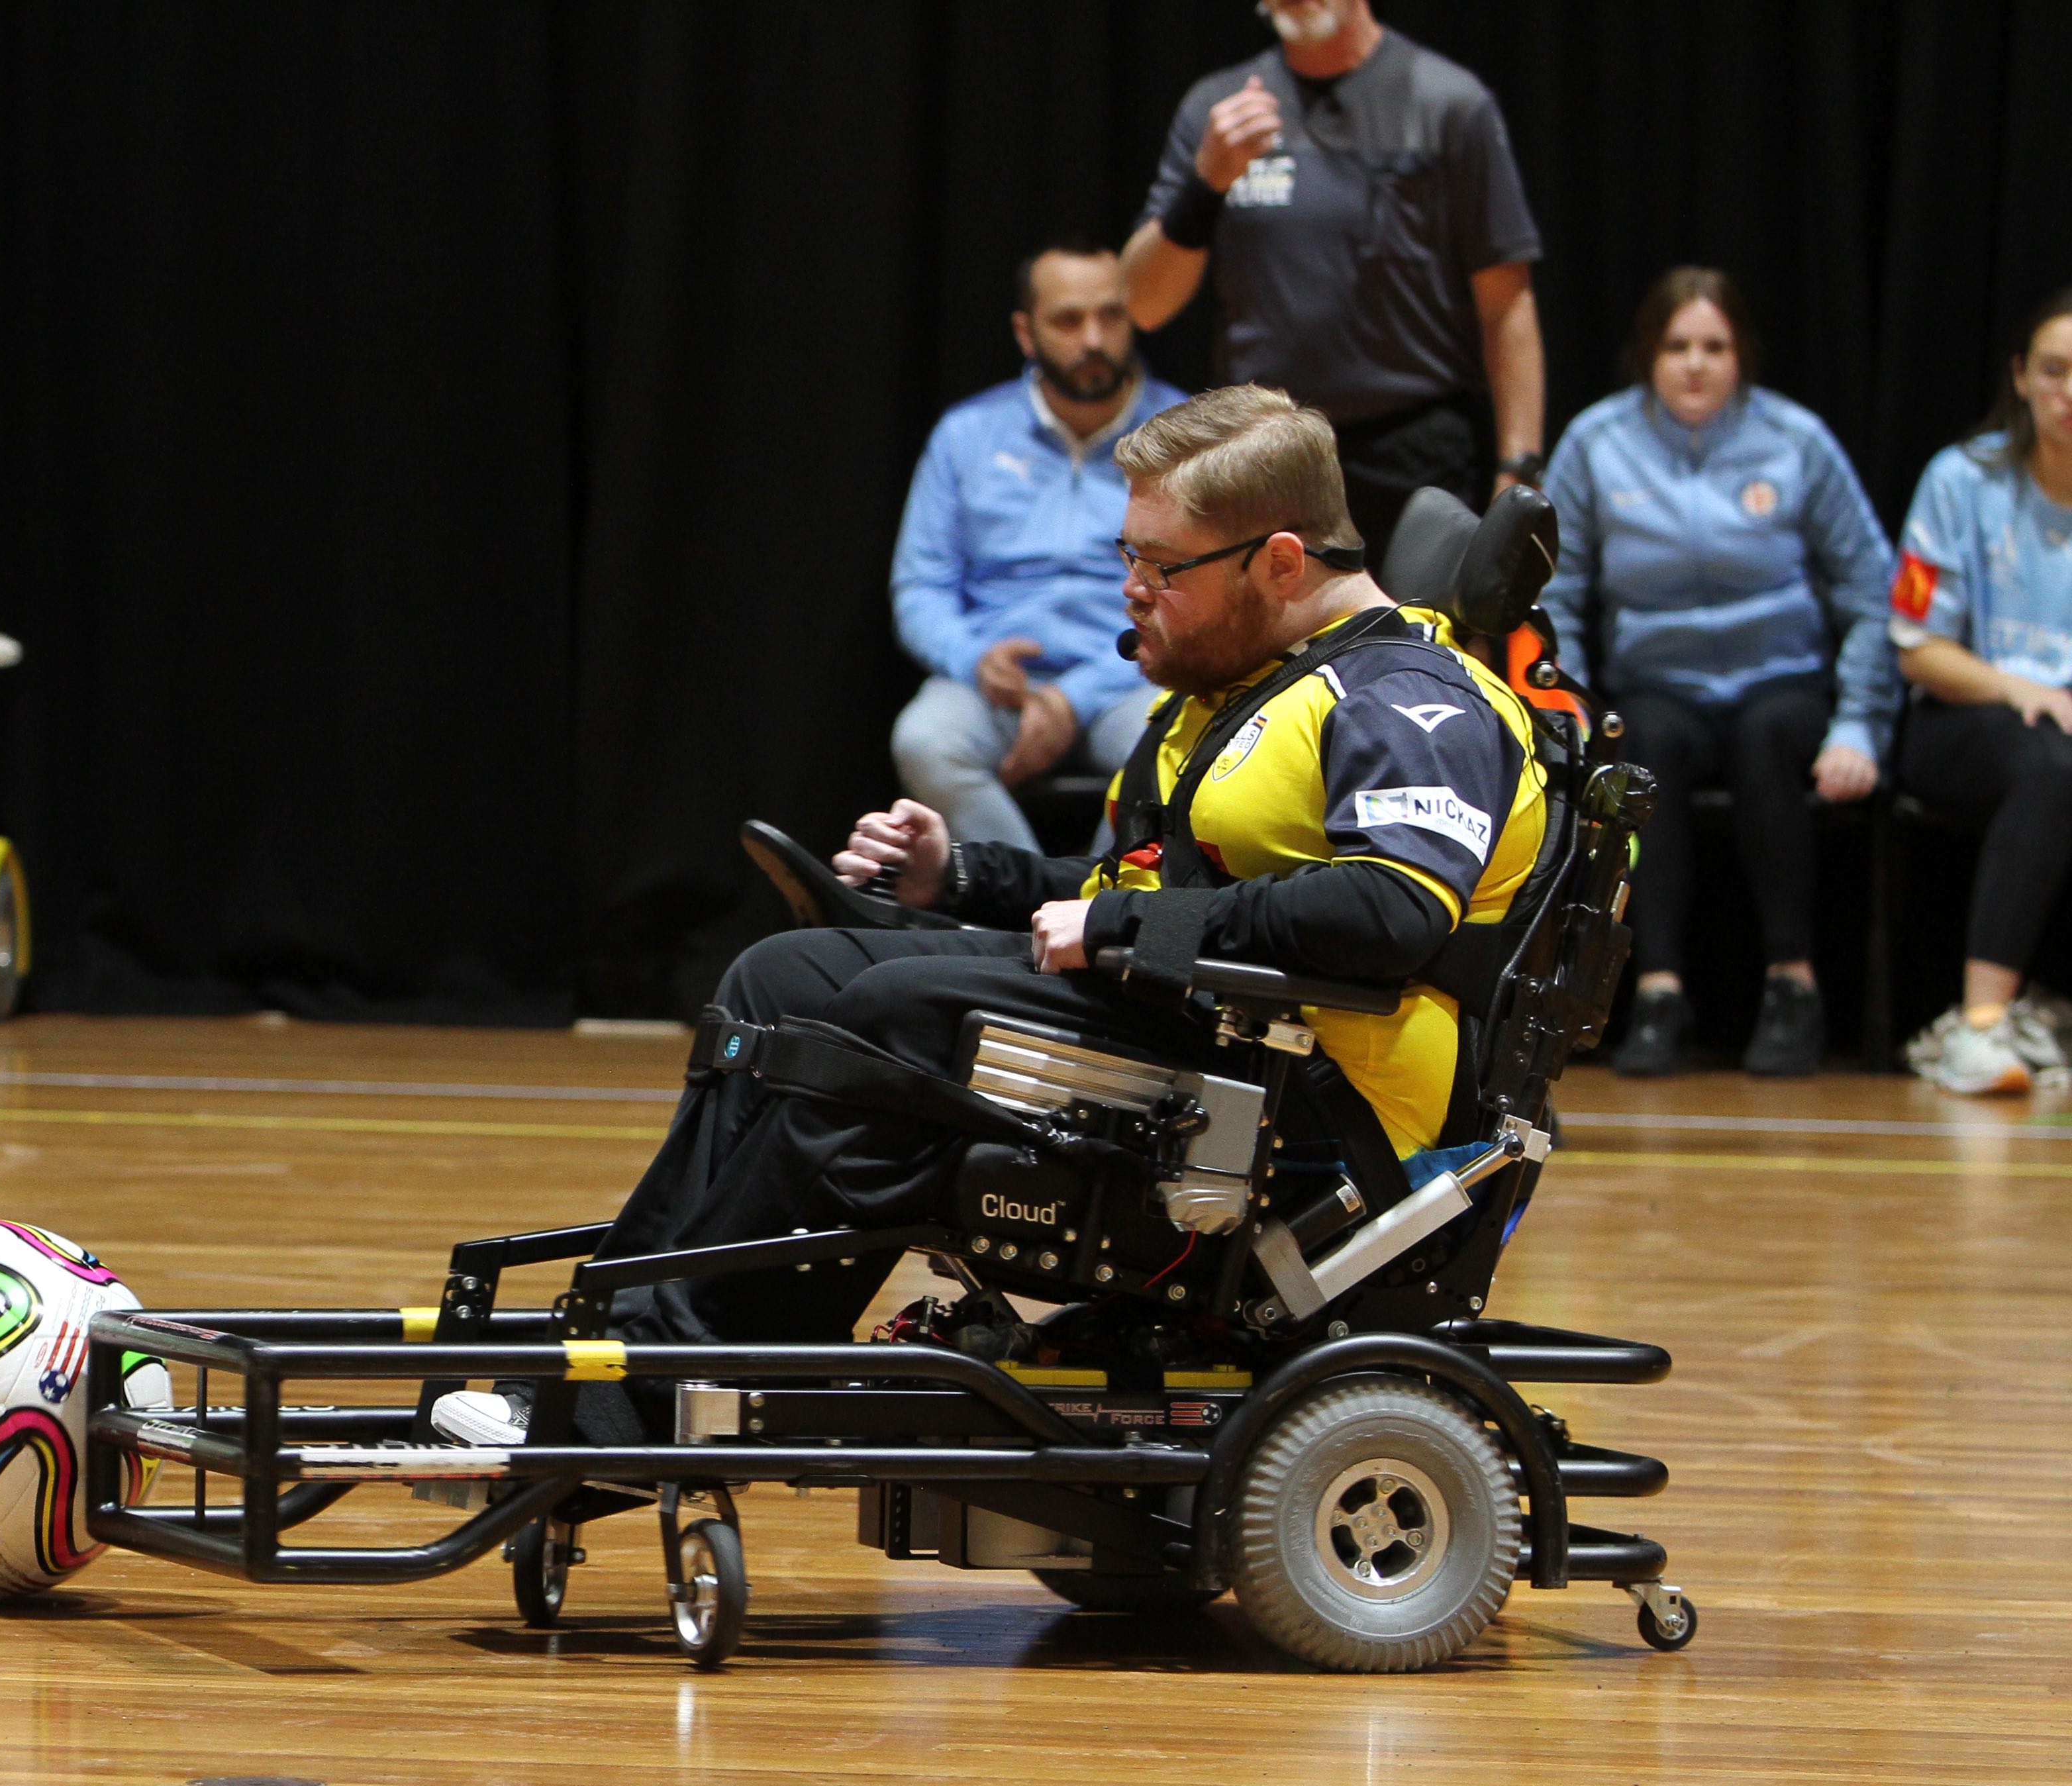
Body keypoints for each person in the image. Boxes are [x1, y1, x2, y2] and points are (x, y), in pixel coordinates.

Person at [434, 387, 1544, 1441]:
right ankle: (606, 1347)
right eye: (1127, 557)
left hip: (1311, 1101)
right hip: (1207, 1036)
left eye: (1159, 566)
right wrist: (957, 879)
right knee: (781, 980)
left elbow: (1389, 911)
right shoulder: (1243, 687)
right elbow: (1141, 881)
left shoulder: (1412, 699)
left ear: (1281, 560)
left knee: (881, 1017)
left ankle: (653, 1398)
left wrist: (1119, 934)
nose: (1131, 589)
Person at [1538, 269, 1898, 1080]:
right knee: (1644, 752)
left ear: (1742, 357)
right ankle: (1658, 992)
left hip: (1783, 680)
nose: (1695, 364)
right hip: (1660, 685)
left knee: (1771, 739)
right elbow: (1556, 590)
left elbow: (1873, 591)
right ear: (1648, 357)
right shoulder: (1598, 442)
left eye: (1714, 347)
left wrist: (1861, 724)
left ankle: (1791, 984)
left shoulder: (1796, 440)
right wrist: (1574, 711)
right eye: (1677, 347)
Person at [1118, 0, 1544, 558]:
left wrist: (1519, 468)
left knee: (1416, 643)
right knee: (1276, 647)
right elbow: (1143, 303)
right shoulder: (1218, 108)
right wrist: (1206, 183)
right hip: (1264, 452)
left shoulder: (1449, 103)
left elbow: (1507, 306)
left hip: (1413, 453)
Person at [887, 246, 1188, 854]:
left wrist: (1072, 700)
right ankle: (1020, 915)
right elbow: (919, 586)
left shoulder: (1186, 434)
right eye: (1068, 321)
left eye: (1111, 316)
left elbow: (1197, 593)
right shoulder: (967, 434)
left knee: (1182, 748)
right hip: (994, 684)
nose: (1095, 339)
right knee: (925, 740)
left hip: (1137, 673)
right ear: (1026, 332)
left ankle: (1094, 914)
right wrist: (974, 659)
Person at [1890, 287, 2072, 1097]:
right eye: (2056, 371)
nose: (2069, 394)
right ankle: (1980, 1025)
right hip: (1966, 719)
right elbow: (1917, 647)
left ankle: (2046, 1014)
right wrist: (2019, 687)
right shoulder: (1960, 480)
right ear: (2022, 378)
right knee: (2049, 764)